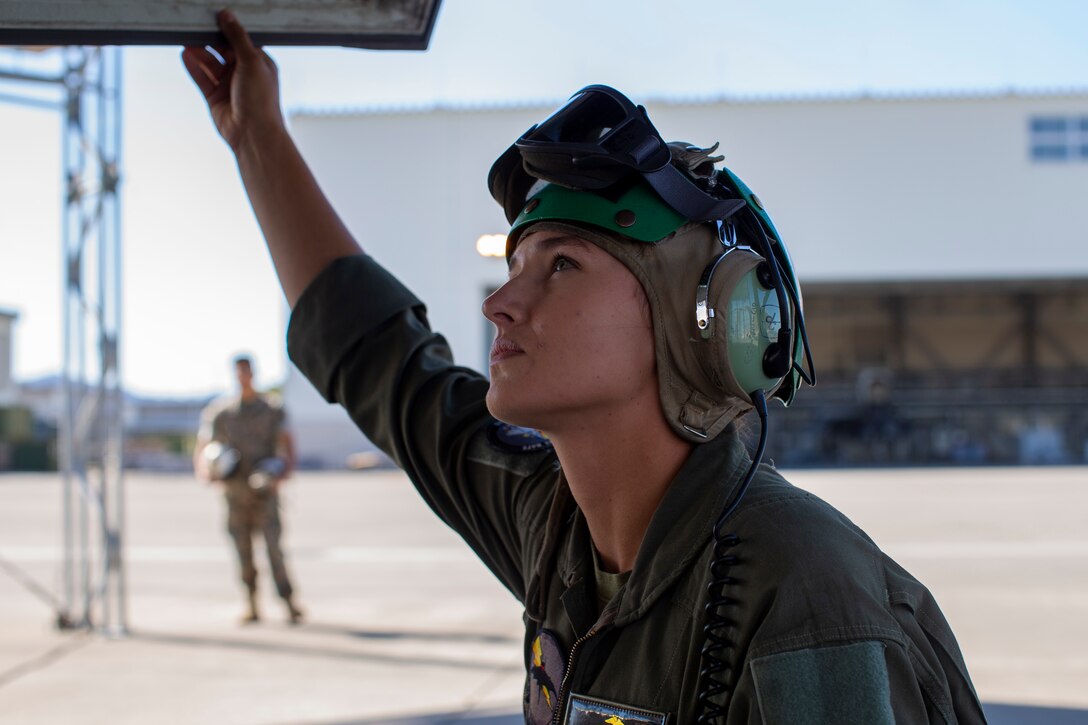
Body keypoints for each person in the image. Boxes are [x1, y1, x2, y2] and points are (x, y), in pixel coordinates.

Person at [183, 12, 985, 722]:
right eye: (513, 266)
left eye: (561, 266)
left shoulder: (807, 593)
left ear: (700, 324)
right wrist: (257, 138)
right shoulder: (557, 521)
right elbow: (385, 363)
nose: (502, 304)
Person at [193, 354, 303, 624]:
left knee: (274, 549)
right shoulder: (221, 412)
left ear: (253, 374)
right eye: (238, 372)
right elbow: (204, 447)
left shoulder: (272, 409)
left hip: (264, 491)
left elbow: (287, 444)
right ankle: (251, 603)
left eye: (246, 371)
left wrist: (283, 474)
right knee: (242, 550)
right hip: (235, 493)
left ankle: (288, 602)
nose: (243, 377)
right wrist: (206, 472)